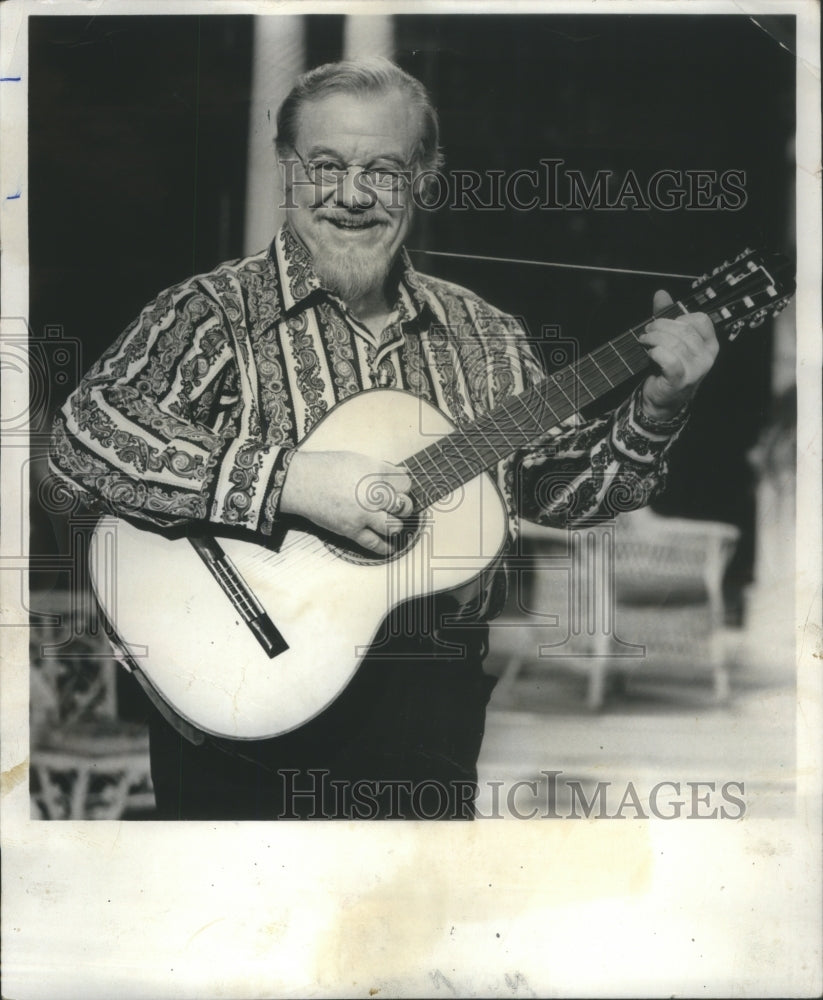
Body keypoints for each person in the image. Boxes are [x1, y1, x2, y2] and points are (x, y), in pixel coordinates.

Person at [49, 58, 718, 820]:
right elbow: (83, 436)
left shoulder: (485, 335)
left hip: (426, 717)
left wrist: (658, 407)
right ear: (285, 169)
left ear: (424, 178)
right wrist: (290, 481)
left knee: (412, 934)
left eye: (384, 170)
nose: (352, 195)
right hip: (236, 701)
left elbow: (557, 489)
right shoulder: (211, 313)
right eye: (325, 166)